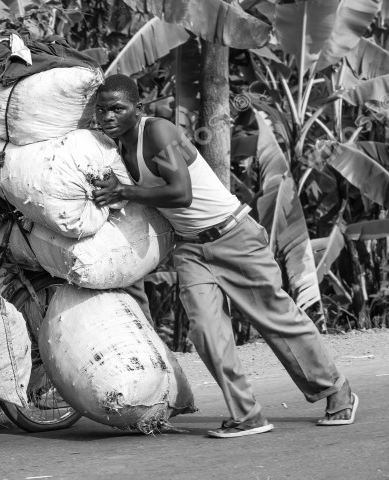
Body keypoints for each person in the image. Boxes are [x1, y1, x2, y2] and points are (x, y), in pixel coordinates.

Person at [91, 74, 357, 438]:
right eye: (102, 109)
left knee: (275, 319)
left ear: (137, 108)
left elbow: (181, 193)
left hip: (234, 236)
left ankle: (336, 391)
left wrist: (124, 190)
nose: (108, 116)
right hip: (191, 248)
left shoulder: (158, 133)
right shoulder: (113, 146)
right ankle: (247, 415)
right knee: (206, 331)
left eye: (117, 108)